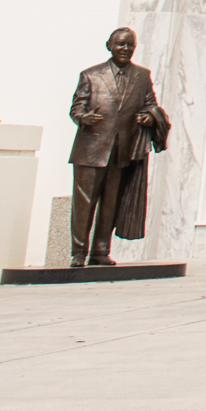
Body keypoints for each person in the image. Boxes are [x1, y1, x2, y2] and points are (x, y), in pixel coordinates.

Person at [67, 26, 170, 267]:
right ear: (109, 46)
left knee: (110, 203)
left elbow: (150, 105)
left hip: (122, 151)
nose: (125, 48)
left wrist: (148, 118)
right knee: (84, 204)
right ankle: (79, 253)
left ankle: (100, 251)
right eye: (120, 44)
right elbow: (76, 108)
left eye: (130, 44)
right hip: (91, 150)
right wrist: (83, 118)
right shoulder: (91, 75)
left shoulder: (142, 76)